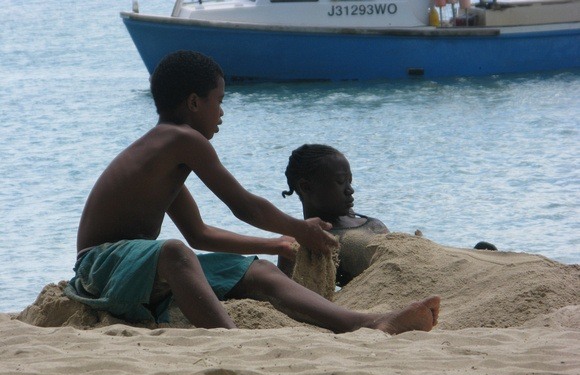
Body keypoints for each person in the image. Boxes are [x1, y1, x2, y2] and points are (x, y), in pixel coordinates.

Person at [64, 51, 439, 335]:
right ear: (194, 103)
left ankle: (366, 323)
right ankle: (229, 339)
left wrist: (275, 243)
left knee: (256, 270)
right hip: (98, 267)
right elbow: (243, 205)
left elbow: (200, 233)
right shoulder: (181, 139)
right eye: (219, 101)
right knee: (174, 251)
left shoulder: (163, 160)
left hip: (137, 272)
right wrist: (299, 228)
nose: (222, 113)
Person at [279, 144, 495, 287]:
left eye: (350, 181)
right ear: (306, 187)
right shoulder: (304, 239)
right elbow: (290, 291)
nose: (350, 190)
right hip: (411, 281)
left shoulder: (355, 219)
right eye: (340, 182)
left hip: (429, 262)